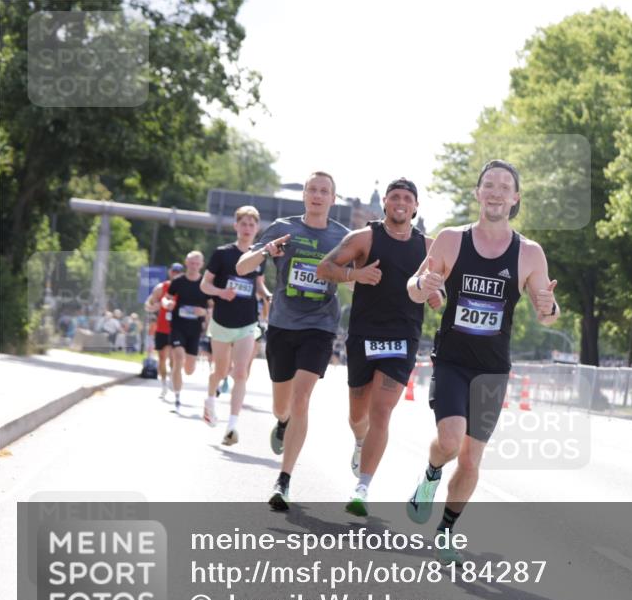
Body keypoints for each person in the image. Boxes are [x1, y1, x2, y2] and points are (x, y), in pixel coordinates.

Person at [405, 160, 560, 564]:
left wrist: (549, 306)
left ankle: (445, 530)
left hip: (492, 370)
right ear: (478, 193)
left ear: (515, 198)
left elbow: (548, 313)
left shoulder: (529, 252)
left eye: (504, 186)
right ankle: (431, 473)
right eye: (488, 184)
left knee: (473, 458)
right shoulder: (451, 241)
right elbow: (414, 290)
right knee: (451, 442)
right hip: (453, 361)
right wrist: (424, 283)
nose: (495, 192)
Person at [317, 178, 442, 517]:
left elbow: (442, 292)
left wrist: (436, 295)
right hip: (363, 334)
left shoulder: (430, 248)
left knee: (381, 411)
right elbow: (324, 267)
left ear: (416, 207)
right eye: (395, 197)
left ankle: (363, 488)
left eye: (407, 198)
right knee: (358, 414)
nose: (401, 203)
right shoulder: (364, 238)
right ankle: (360, 441)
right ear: (385, 203)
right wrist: (354, 276)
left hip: (403, 338)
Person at [236, 171, 349, 511]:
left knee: (301, 400)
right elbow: (243, 267)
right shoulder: (282, 228)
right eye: (312, 189)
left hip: (320, 326)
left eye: (324, 191)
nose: (317, 195)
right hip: (283, 324)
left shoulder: (343, 238)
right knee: (282, 406)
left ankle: (283, 479)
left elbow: (357, 280)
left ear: (332, 198)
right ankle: (282, 422)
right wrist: (265, 252)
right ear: (304, 195)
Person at [200, 205, 267, 445]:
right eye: (244, 224)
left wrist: (267, 295)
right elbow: (204, 285)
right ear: (236, 226)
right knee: (220, 371)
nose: (248, 228)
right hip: (222, 322)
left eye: (252, 224)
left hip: (247, 322)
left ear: (257, 228)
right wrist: (220, 292)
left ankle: (231, 426)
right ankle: (209, 400)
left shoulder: (259, 255)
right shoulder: (222, 254)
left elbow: (259, 285)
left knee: (240, 372)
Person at [162, 251, 210, 413]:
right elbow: (166, 297)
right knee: (178, 358)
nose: (194, 266)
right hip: (178, 326)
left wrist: (202, 312)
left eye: (197, 263)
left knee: (189, 369)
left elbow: (211, 307)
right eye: (191, 263)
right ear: (186, 263)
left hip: (195, 330)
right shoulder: (178, 281)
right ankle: (177, 397)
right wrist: (167, 303)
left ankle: (177, 376)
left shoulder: (205, 283)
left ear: (201, 265)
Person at [145, 263, 185, 398]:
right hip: (162, 327)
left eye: (179, 271)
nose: (176, 273)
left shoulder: (184, 287)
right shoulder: (162, 287)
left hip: (177, 327)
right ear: (170, 272)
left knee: (174, 359)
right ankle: (163, 385)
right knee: (162, 357)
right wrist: (152, 307)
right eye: (174, 271)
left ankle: (172, 381)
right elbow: (148, 303)